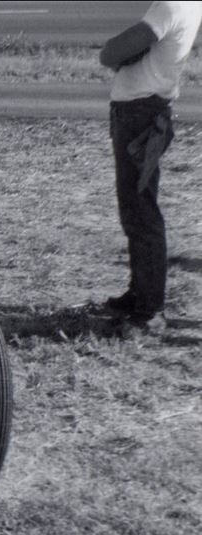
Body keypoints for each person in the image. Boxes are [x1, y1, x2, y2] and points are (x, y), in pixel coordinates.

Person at [99, 1, 201, 333]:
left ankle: (148, 309)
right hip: (144, 110)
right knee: (135, 208)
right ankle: (140, 293)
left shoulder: (172, 4)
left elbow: (114, 51)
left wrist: (113, 53)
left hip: (140, 113)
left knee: (141, 210)